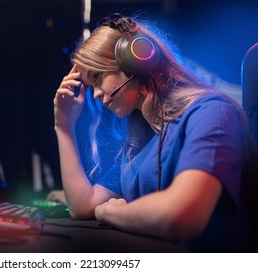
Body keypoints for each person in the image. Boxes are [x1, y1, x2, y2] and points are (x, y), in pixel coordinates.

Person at [53, 13, 258, 252]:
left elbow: (182, 216)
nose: (96, 94)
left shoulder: (213, 113)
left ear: (135, 61)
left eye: (98, 77)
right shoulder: (139, 143)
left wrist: (111, 212)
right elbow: (84, 206)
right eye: (91, 87)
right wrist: (64, 126)